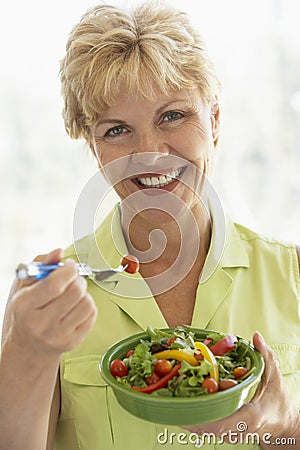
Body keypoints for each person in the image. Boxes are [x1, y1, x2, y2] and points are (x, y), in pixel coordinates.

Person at [0, 1, 299, 449]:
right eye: (116, 130)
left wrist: (287, 427)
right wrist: (28, 353)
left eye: (173, 116)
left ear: (214, 119)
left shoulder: (292, 273)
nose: (149, 152)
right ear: (92, 145)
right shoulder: (49, 301)